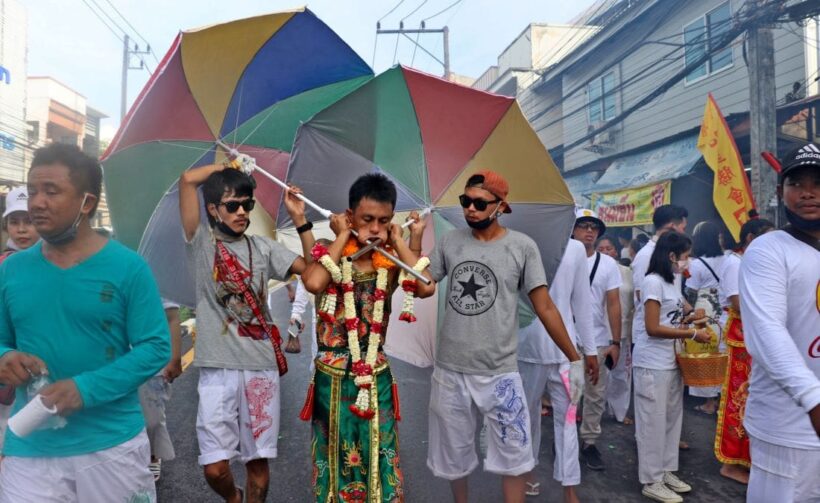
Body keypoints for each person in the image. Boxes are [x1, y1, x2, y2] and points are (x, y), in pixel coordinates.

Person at [0, 143, 170, 502]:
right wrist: (5, 357)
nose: (37, 203)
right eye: (32, 191)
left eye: (51, 191)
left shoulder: (129, 268)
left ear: (87, 203)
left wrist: (85, 388)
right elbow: (2, 339)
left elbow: (156, 348)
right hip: (31, 448)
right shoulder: (11, 270)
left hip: (113, 448)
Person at [424, 171, 585, 503]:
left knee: (514, 457)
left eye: (480, 203)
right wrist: (408, 242)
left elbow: (546, 307)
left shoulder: (522, 247)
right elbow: (424, 286)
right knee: (453, 457)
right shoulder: (450, 242)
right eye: (465, 201)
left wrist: (574, 357)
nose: (470, 209)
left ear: (500, 207)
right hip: (451, 369)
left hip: (500, 372)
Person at [179, 159, 315, 503]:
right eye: (232, 205)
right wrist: (226, 165)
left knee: (257, 462)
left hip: (260, 369)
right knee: (215, 468)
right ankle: (234, 498)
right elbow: (186, 180)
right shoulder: (201, 243)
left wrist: (300, 219)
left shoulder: (264, 247)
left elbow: (313, 274)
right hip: (217, 370)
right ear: (212, 209)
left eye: (247, 204)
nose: (242, 212)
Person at [301, 174, 425, 502]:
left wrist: (404, 240)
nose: (374, 229)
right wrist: (341, 235)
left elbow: (425, 285)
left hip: (376, 373)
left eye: (383, 221)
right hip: (332, 376)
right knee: (335, 454)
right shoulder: (332, 252)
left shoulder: (390, 261)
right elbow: (314, 283)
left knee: (382, 450)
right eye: (367, 219)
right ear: (350, 215)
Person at [740, 144, 820, 502]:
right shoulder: (769, 250)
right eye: (796, 183)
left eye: (818, 182)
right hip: (789, 431)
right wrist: (813, 399)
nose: (808, 192)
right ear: (779, 192)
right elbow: (767, 333)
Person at [518, 237, 598, 502]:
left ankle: (569, 486)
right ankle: (526, 472)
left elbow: (582, 304)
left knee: (568, 418)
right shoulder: (520, 241)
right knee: (525, 416)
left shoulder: (574, 248)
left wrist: (591, 351)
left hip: (566, 350)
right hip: (526, 346)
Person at [634, 231, 712, 503]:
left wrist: (693, 316)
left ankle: (666, 471)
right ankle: (651, 479)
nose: (687, 262)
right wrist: (692, 334)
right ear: (671, 256)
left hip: (671, 361)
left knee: (670, 420)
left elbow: (676, 314)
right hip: (651, 363)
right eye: (685, 256)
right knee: (651, 423)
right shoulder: (652, 282)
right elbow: (653, 327)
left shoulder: (671, 281)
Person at [712, 217, 774, 485]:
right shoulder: (734, 263)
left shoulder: (752, 261)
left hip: (755, 337)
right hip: (742, 339)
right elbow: (738, 302)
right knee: (739, 400)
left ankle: (749, 459)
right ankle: (731, 463)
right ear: (750, 238)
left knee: (755, 399)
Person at [572, 210, 622, 471]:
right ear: (573, 229)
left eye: (594, 227)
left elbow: (613, 304)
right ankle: (567, 440)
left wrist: (616, 342)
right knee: (568, 395)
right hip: (568, 340)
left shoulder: (608, 264)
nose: (589, 231)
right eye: (583, 226)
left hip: (600, 340)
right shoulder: (562, 258)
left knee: (595, 396)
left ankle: (589, 442)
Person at [685, 221, 741, 416]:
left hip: (705, 313)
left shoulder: (696, 264)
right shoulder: (729, 259)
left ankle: (710, 402)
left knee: (708, 356)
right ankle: (724, 399)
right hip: (725, 313)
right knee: (724, 355)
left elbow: (690, 292)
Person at [0, 186, 40, 456]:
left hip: (39, 362)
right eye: (15, 222)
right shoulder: (3, 264)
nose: (22, 229)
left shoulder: (53, 262)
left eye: (29, 221)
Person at [138, 300, 183, 482]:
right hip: (117, 357)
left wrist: (175, 358)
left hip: (151, 358)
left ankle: (153, 454)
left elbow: (172, 316)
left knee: (152, 419)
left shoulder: (159, 274)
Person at [597, 235, 634, 425]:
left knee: (622, 374)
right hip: (600, 332)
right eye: (601, 249)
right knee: (598, 375)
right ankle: (595, 411)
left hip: (623, 331)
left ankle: (619, 412)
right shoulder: (592, 271)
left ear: (616, 251)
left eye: (608, 248)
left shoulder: (627, 272)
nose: (605, 252)